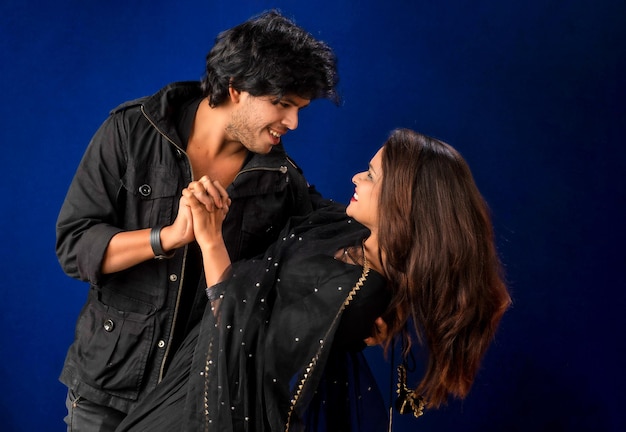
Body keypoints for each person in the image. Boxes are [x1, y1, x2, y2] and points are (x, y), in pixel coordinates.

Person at [113, 128, 512, 431]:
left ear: (403, 202)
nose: (357, 177)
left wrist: (210, 239)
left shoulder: (364, 291)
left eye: (371, 176)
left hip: (217, 404)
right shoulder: (344, 228)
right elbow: (295, 192)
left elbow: (247, 348)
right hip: (189, 381)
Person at [55, 10, 340, 431]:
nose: (293, 123)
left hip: (192, 404)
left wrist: (367, 311)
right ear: (237, 88)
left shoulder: (282, 182)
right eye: (282, 104)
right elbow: (74, 246)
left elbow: (330, 249)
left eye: (300, 109)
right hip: (104, 390)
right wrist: (168, 237)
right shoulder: (132, 132)